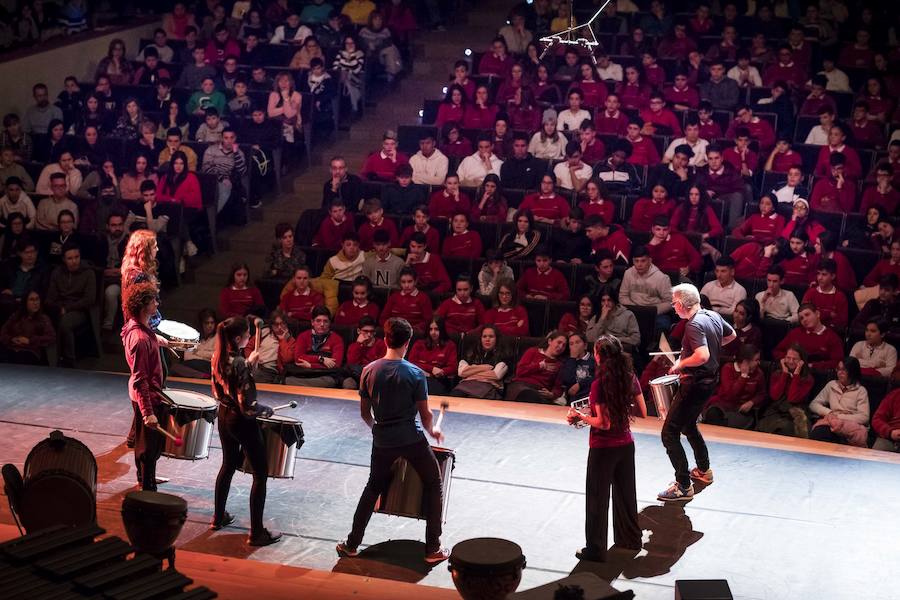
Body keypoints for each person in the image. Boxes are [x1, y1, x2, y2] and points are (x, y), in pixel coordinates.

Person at [337, 317, 449, 563]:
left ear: (385, 339)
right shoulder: (416, 374)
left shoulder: (368, 370)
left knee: (372, 488)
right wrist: (433, 431)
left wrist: (377, 429)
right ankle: (433, 548)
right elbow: (425, 414)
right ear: (408, 343)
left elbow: (365, 413)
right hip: (411, 439)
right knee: (434, 484)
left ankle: (352, 543)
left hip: (382, 440)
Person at [567, 335, 646, 562]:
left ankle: (596, 549)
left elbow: (603, 423)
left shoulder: (599, 384)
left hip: (603, 448)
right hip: (626, 445)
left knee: (597, 499)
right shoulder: (630, 378)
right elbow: (642, 412)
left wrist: (580, 416)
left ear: (599, 355)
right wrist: (621, 406)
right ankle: (630, 539)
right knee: (626, 494)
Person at [658, 283, 736, 502]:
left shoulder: (693, 325)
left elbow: (701, 356)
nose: (673, 307)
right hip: (709, 381)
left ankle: (683, 485)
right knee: (688, 424)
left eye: (674, 303)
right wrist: (711, 347)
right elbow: (731, 336)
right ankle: (703, 470)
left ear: (681, 304)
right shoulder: (712, 315)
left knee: (669, 433)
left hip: (695, 383)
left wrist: (681, 363)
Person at [210, 315, 282, 546]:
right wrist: (266, 410)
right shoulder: (238, 363)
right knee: (260, 475)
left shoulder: (218, 356)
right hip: (241, 420)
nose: (251, 336)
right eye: (248, 334)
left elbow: (230, 383)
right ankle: (257, 533)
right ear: (239, 338)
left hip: (224, 416)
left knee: (228, 465)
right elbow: (248, 407)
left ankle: (218, 517)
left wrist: (249, 363)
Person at [121, 281, 165, 491]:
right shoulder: (139, 339)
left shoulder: (135, 327)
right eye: (153, 300)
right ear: (143, 304)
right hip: (146, 396)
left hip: (141, 393)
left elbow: (135, 333)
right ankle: (147, 489)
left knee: (144, 443)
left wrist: (156, 339)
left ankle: (144, 479)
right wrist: (148, 413)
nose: (157, 303)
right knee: (148, 447)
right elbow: (140, 380)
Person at [809, 358, 870, 446]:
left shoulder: (861, 391)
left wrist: (838, 417)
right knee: (818, 433)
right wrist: (829, 412)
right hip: (832, 422)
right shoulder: (832, 385)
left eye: (844, 370)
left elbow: (864, 417)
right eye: (838, 369)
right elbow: (813, 404)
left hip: (850, 424)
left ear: (852, 372)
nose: (840, 372)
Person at [506, 331, 567, 404]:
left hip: (539, 390)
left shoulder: (559, 364)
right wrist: (539, 366)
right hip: (521, 386)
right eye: (559, 342)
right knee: (528, 395)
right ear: (550, 341)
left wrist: (552, 394)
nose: (561, 347)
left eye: (564, 345)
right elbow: (519, 371)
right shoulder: (533, 352)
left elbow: (558, 387)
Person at [0, 290, 54, 364]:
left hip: (30, 352)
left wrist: (30, 341)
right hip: (12, 349)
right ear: (25, 302)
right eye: (32, 300)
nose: (36, 303)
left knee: (21, 359)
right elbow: (3, 332)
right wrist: (11, 339)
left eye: (37, 299)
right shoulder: (16, 316)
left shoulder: (43, 319)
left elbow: (51, 337)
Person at [408, 316, 458, 395]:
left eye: (436, 329)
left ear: (442, 330)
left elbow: (453, 367)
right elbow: (411, 362)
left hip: (439, 380)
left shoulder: (450, 345)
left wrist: (442, 371)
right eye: (431, 329)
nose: (433, 332)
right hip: (419, 377)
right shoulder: (419, 344)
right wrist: (431, 369)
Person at [872, 388, 900, 452]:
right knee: (875, 456)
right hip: (889, 438)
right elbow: (877, 419)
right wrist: (890, 432)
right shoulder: (894, 395)